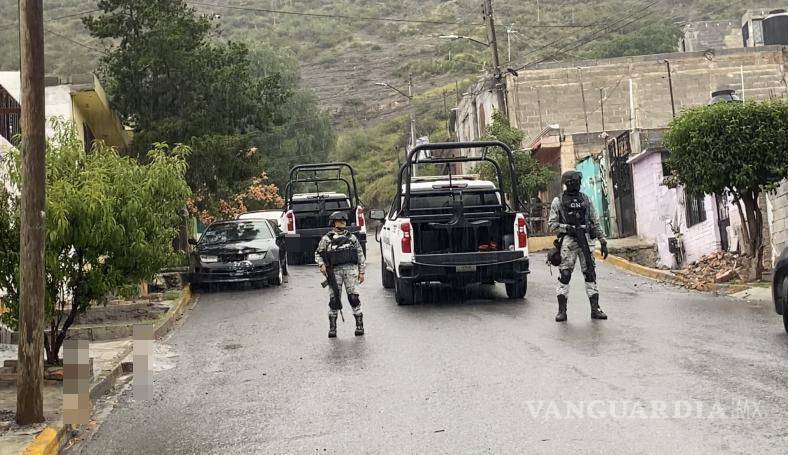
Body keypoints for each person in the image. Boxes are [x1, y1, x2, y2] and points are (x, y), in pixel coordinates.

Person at [548, 170, 609, 322]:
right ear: (568, 183)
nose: (578, 184)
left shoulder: (586, 200)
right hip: (569, 241)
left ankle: (595, 309)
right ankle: (562, 311)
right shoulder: (559, 201)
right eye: (576, 181)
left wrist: (603, 241)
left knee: (590, 273)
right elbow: (552, 225)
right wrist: (567, 228)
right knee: (565, 275)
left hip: (586, 240)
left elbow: (595, 221)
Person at [315, 211, 366, 338]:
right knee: (334, 300)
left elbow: (360, 254)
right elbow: (318, 253)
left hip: (350, 270)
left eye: (344, 220)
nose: (343, 222)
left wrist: (362, 271)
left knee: (354, 298)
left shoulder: (351, 238)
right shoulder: (326, 239)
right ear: (333, 223)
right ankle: (333, 328)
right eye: (339, 220)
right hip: (334, 271)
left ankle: (359, 325)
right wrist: (321, 264)